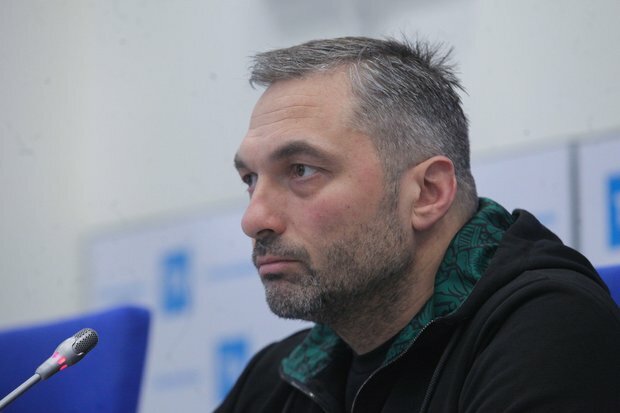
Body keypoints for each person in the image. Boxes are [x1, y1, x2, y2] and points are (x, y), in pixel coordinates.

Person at [218, 36, 620, 412]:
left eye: (301, 170)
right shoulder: (279, 377)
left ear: (428, 192)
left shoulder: (551, 332)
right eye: (250, 179)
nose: (253, 220)